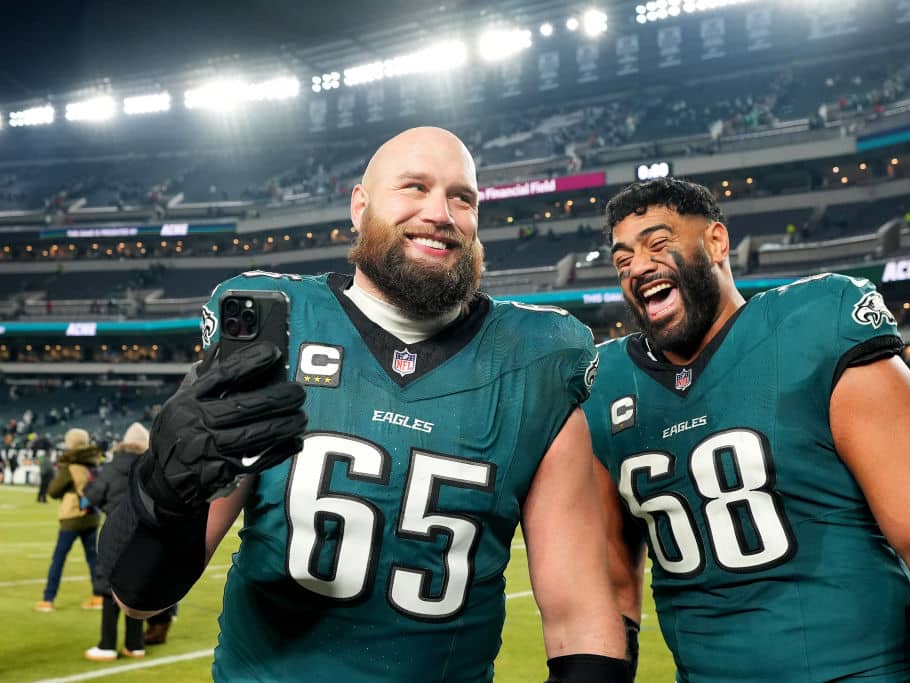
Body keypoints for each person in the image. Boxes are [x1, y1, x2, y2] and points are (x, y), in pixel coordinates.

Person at [99, 127, 629, 682]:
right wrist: (161, 490)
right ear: (360, 205)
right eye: (414, 187)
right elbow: (142, 598)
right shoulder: (279, 333)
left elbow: (580, 618)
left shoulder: (535, 357)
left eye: (462, 198)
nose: (440, 213)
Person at [585, 177, 910, 682]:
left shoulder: (814, 323)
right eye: (622, 259)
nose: (639, 266)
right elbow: (611, 586)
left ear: (716, 241)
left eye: (658, 243)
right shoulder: (605, 384)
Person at [82, 422, 151, 661]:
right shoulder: (152, 467)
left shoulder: (112, 467)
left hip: (116, 528)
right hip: (146, 533)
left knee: (110, 588)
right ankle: (135, 644)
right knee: (136, 588)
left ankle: (107, 645)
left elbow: (92, 496)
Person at [36, 427, 105, 612]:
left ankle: (48, 599)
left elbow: (53, 491)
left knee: (58, 558)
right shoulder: (95, 463)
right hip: (92, 516)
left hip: (72, 517)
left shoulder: (70, 466)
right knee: (93, 559)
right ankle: (98, 597)